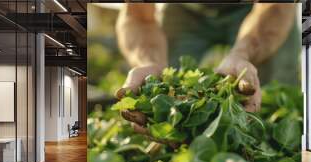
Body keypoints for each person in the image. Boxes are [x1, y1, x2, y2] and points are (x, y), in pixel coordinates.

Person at [115, 3, 297, 132]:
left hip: (254, 9)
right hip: (185, 8)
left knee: (269, 96)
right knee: (165, 93)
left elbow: (277, 5)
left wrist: (243, 54)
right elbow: (138, 14)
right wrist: (150, 62)